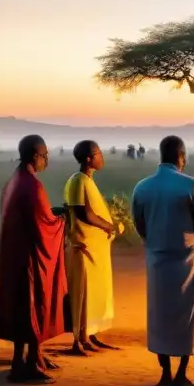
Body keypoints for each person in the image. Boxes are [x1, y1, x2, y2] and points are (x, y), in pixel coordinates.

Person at [132, 135, 194, 386]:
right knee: (187, 316)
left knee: (160, 315)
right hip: (188, 259)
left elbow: (140, 224)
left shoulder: (142, 187)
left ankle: (166, 374)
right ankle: (181, 376)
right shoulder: (192, 185)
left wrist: (153, 241)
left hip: (157, 258)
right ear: (181, 156)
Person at [0, 135, 67, 383]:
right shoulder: (32, 185)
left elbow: (35, 215)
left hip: (14, 257)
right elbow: (42, 225)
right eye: (44, 155)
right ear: (35, 156)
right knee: (34, 306)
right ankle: (27, 364)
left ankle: (25, 359)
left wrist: (51, 215)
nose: (46, 160)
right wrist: (60, 221)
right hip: (30, 259)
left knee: (21, 309)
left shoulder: (13, 182)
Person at [64, 140, 119, 356]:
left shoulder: (87, 180)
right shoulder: (78, 180)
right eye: (98, 153)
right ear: (88, 158)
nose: (102, 157)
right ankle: (78, 340)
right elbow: (82, 213)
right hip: (84, 247)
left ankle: (90, 336)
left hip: (96, 248)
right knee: (83, 295)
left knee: (95, 294)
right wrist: (110, 225)